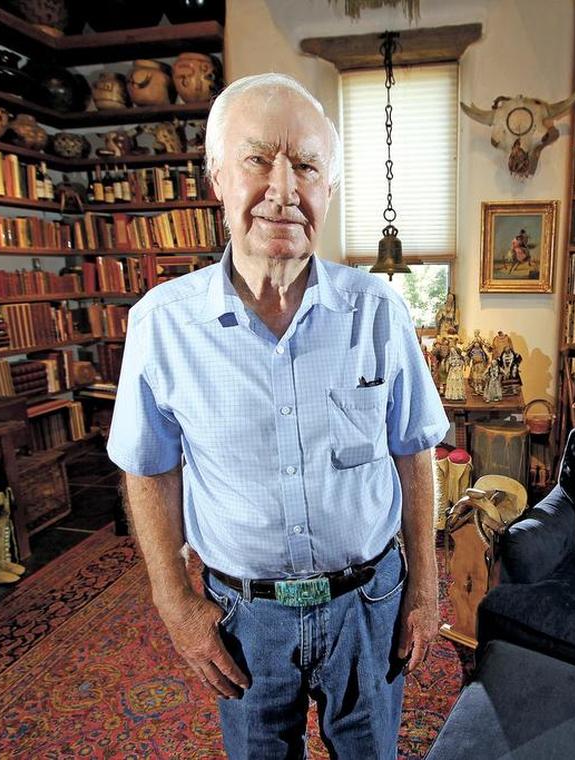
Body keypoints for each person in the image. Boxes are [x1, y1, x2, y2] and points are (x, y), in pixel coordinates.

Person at [107, 73, 449, 759]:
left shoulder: (379, 313)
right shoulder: (162, 325)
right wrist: (175, 604)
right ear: (217, 179)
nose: (284, 189)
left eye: (308, 166)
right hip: (245, 616)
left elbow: (414, 453)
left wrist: (426, 588)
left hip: (369, 605)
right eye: (259, 159)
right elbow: (149, 471)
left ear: (328, 189)